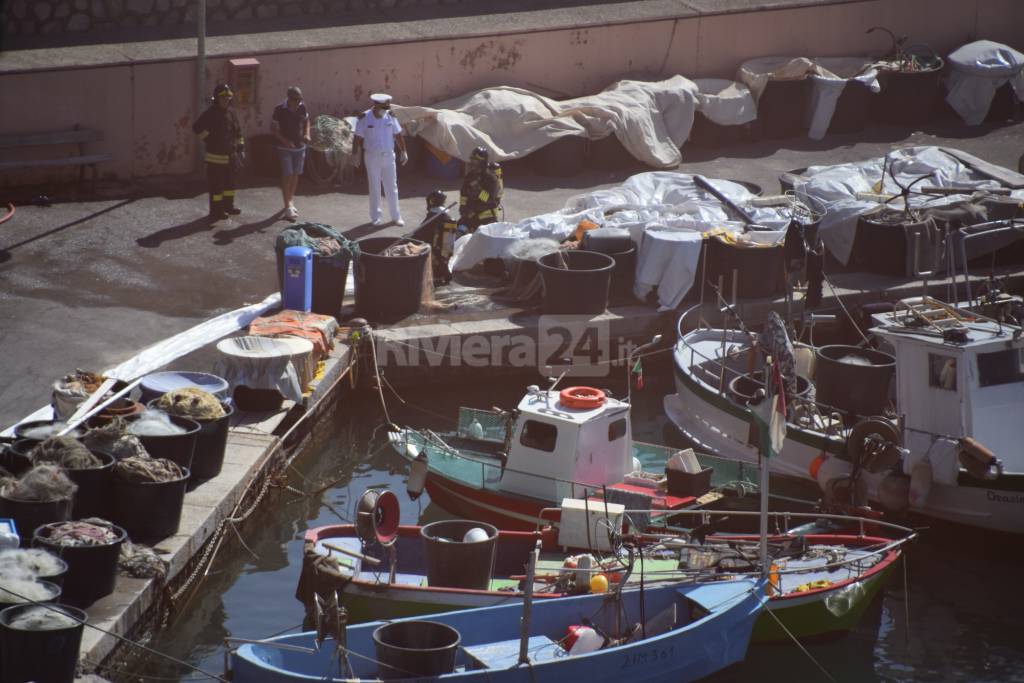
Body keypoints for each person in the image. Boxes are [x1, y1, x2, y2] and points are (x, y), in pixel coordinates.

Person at [352, 93, 408, 226]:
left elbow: (398, 134)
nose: (385, 110)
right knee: (375, 186)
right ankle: (376, 217)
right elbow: (357, 138)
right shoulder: (364, 117)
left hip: (388, 155)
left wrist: (404, 151)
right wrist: (355, 154)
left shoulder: (390, 116)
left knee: (392, 187)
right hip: (372, 157)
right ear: (376, 105)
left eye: (387, 107)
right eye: (383, 107)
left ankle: (396, 216)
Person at [192, 83, 245, 221]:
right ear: (216, 98)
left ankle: (228, 206)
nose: (226, 100)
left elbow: (238, 131)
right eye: (223, 98)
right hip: (215, 158)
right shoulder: (210, 113)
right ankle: (216, 211)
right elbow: (196, 128)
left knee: (230, 184)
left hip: (231, 156)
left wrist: (240, 146)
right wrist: (209, 140)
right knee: (217, 187)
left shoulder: (231, 112)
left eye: (228, 97)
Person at [271, 86, 310, 221]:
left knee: (295, 174)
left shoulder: (302, 107)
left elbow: (306, 122)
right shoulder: (279, 109)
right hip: (284, 148)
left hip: (300, 147)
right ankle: (287, 206)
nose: (298, 102)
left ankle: (290, 200)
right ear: (289, 98)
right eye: (295, 100)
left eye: (299, 100)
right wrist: (286, 141)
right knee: (287, 174)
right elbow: (274, 129)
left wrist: (306, 134)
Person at [412, 190, 458, 284]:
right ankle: (441, 273)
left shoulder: (433, 217)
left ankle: (437, 275)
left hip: (435, 254)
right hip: (445, 253)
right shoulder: (448, 218)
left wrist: (408, 238)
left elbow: (420, 235)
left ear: (431, 202)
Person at [459, 146, 503, 233]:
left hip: (486, 215)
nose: (472, 163)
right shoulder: (470, 176)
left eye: (475, 160)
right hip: (470, 214)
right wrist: (463, 208)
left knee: (480, 235)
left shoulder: (491, 179)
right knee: (459, 231)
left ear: (482, 162)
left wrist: (479, 191)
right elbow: (463, 194)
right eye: (472, 160)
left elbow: (490, 200)